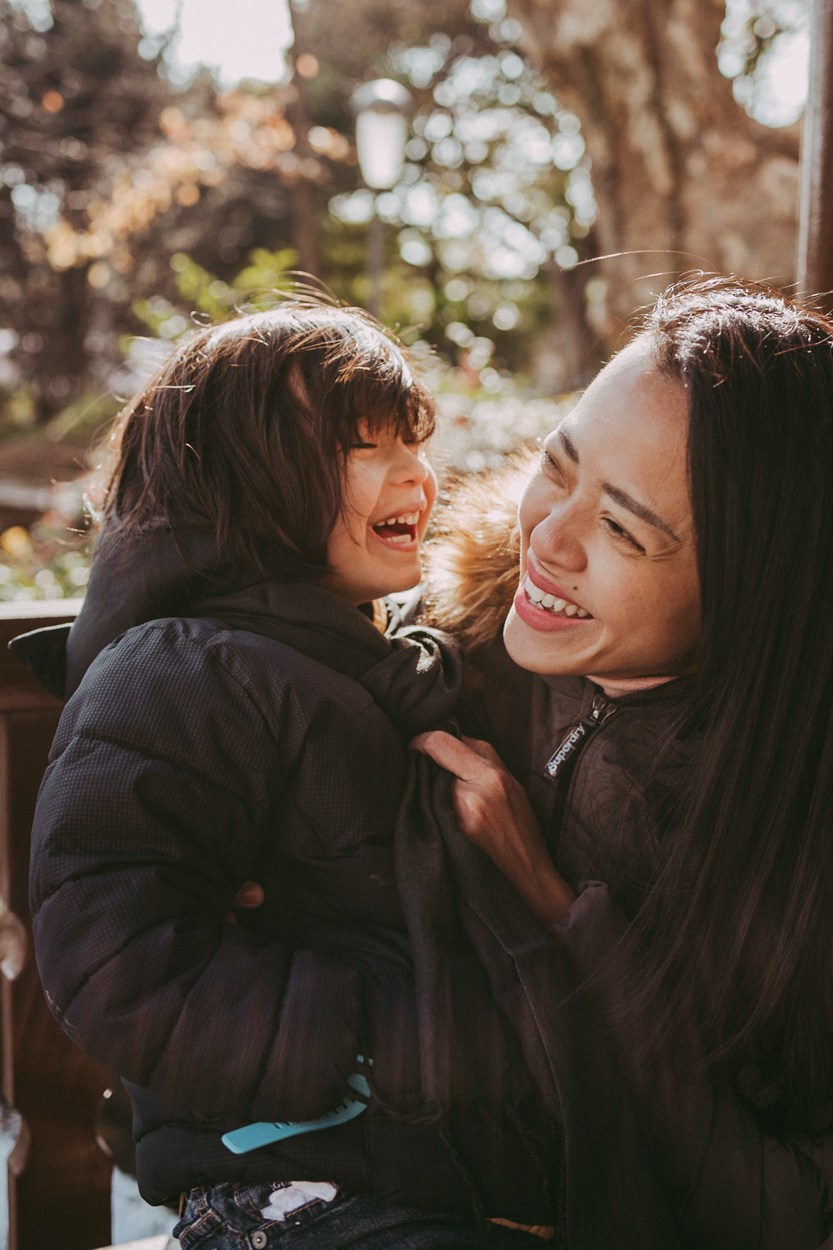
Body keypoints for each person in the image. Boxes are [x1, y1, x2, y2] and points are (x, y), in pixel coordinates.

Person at [20, 301, 557, 1249]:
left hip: (419, 1172)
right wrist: (357, 1043)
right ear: (242, 483)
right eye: (361, 448)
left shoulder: (375, 661)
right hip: (283, 1180)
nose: (415, 475)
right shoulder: (183, 670)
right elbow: (108, 951)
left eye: (413, 441)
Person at [410, 275, 833, 1249]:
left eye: (622, 528)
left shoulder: (787, 824)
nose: (547, 537)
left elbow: (778, 1210)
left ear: (747, 591)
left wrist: (559, 908)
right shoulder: (442, 644)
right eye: (557, 468)